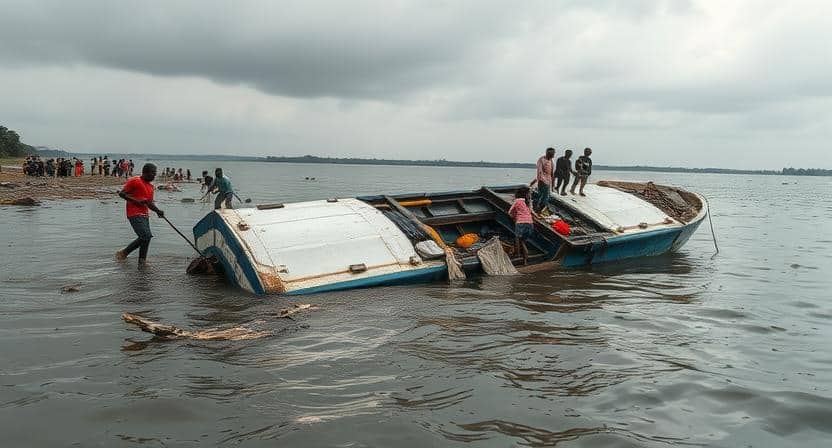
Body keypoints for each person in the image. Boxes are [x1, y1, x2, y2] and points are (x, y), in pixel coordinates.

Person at [115, 163, 164, 266]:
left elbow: (149, 203)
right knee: (145, 236)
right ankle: (124, 252)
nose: (154, 176)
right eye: (152, 174)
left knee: (147, 237)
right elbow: (122, 194)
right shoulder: (135, 180)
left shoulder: (150, 187)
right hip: (134, 213)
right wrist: (136, 201)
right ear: (145, 172)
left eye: (155, 174)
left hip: (145, 214)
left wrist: (158, 211)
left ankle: (142, 261)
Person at [508, 187, 534, 265]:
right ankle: (525, 260)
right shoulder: (528, 202)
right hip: (530, 224)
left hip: (520, 223)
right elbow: (530, 212)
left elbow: (509, 212)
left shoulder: (517, 201)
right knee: (523, 241)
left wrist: (514, 218)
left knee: (517, 238)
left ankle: (518, 255)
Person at [530, 147, 555, 213]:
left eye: (553, 153)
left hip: (548, 181)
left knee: (546, 197)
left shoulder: (551, 161)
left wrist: (552, 184)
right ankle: (535, 209)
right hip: (542, 181)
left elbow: (551, 173)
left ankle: (539, 210)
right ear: (548, 153)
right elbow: (539, 172)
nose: (553, 155)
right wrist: (542, 181)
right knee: (540, 195)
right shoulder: (541, 159)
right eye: (552, 153)